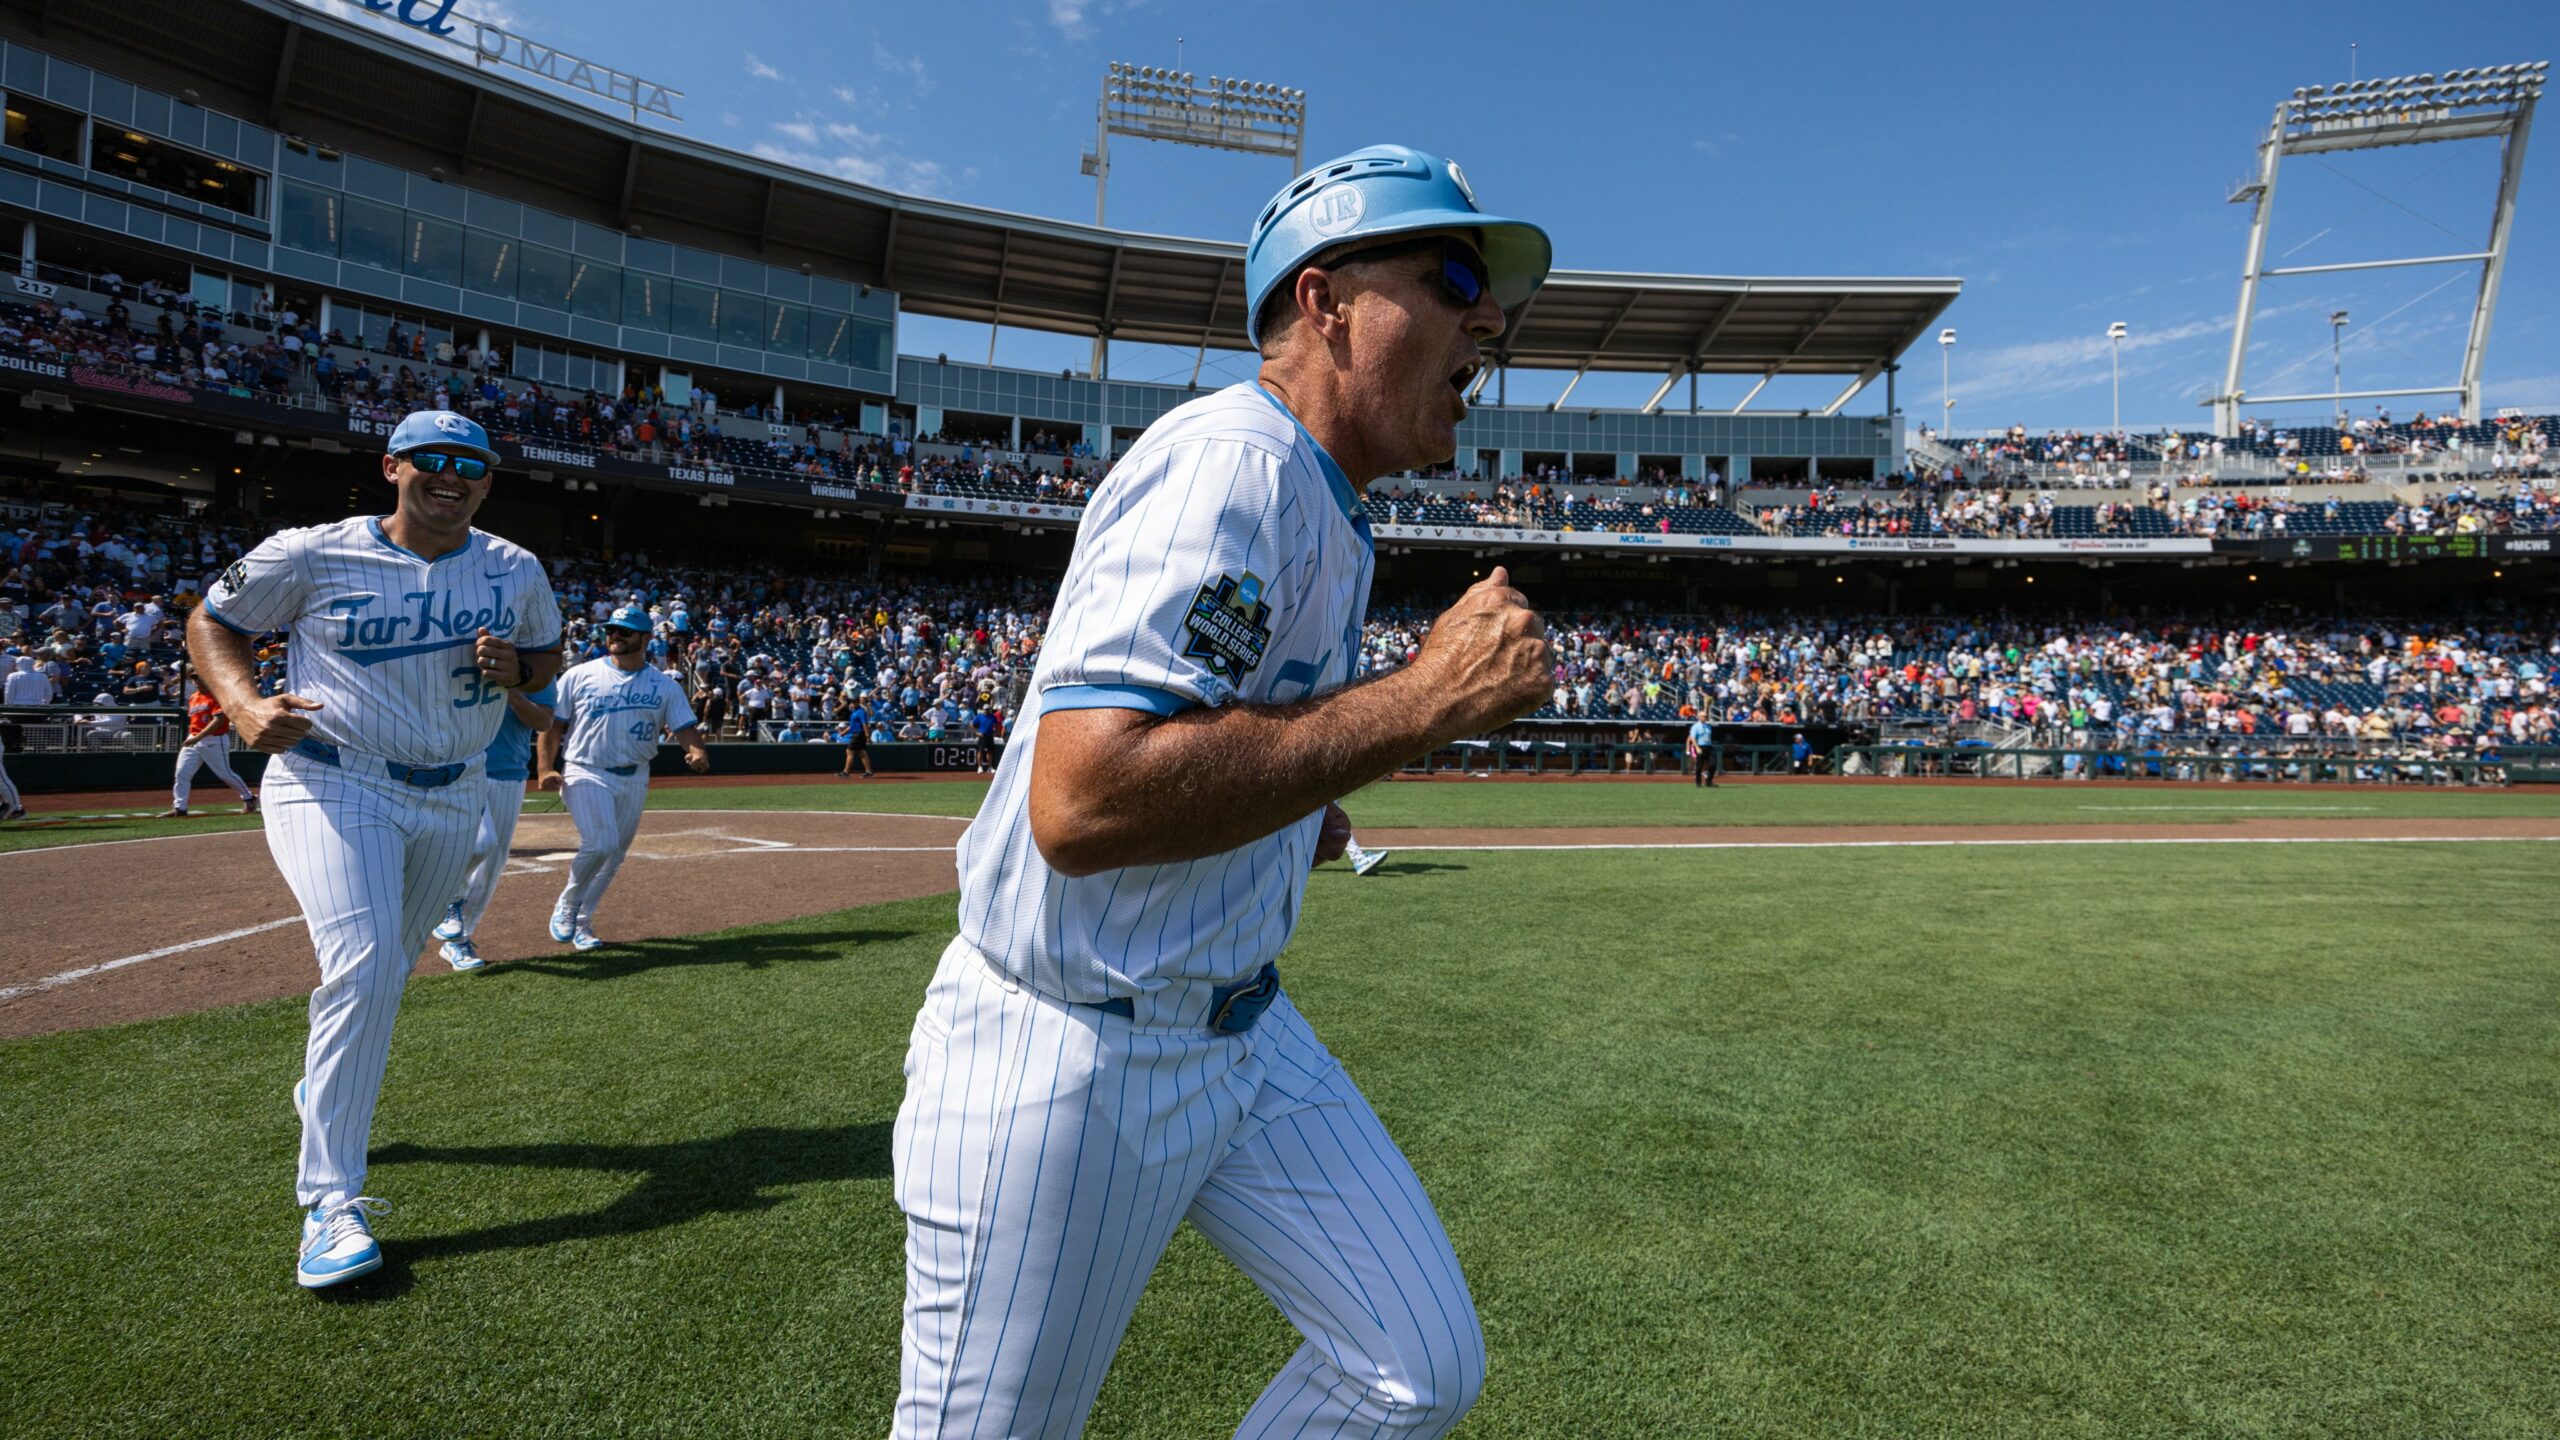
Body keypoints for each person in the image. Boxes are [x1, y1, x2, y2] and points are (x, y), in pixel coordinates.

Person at [893, 143, 1553, 1438]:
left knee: (1414, 1363)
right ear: (1324, 301)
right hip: (1067, 1048)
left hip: (1239, 1037)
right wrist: (1420, 702)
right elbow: (1085, 801)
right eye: (1457, 272)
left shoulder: (1321, 496)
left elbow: (1218, 736)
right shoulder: (1235, 464)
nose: (1490, 317)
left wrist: (1292, 805)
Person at [184, 409, 562, 1290]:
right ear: (391, 466)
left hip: (454, 788)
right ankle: (330, 1204)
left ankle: (325, 1096)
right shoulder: (311, 551)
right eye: (431, 459)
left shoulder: (514, 566)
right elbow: (214, 620)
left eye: (470, 464)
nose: (451, 474)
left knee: (387, 970)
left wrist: (519, 671)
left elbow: (545, 659)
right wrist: (242, 706)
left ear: (487, 481)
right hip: (332, 777)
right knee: (360, 966)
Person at [537, 606, 709, 951]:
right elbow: (553, 727)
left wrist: (697, 752)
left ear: (646, 639)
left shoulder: (664, 685)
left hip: (634, 776)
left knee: (613, 857)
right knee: (600, 843)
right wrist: (544, 768)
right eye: (611, 630)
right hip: (585, 768)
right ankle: (568, 904)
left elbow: (685, 728)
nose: (615, 636)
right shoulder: (579, 674)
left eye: (625, 631)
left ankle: (583, 924)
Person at [430, 679, 559, 971]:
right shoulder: (455, 646)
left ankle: (458, 940)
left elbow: (544, 720)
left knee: (491, 864)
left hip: (508, 770)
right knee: (479, 843)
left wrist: (512, 694)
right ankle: (448, 899)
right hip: (458, 764)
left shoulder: (534, 660)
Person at [168, 682, 258, 816]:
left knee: (225, 773)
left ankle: (249, 798)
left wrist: (198, 737)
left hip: (214, 739)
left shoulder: (217, 696)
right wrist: (194, 737)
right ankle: (180, 808)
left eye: (198, 678)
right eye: (194, 679)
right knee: (181, 773)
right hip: (193, 738)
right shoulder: (193, 697)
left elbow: (219, 720)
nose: (195, 682)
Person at [834, 700, 872, 778]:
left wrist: (867, 736)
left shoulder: (861, 712)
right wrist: (843, 732)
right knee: (862, 752)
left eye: (854, 702)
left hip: (859, 734)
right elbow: (851, 725)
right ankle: (868, 771)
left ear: (858, 703)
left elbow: (865, 724)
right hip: (857, 734)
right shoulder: (854, 712)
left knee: (849, 751)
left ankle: (846, 772)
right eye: (851, 703)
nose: (852, 704)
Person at [1687, 713, 1717, 787]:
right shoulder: (1695, 726)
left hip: (1709, 747)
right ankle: (1698, 782)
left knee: (1713, 764)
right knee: (1699, 766)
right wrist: (1697, 747)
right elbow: (1692, 738)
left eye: (1706, 716)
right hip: (1700, 747)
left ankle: (1708, 781)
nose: (1705, 717)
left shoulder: (1708, 726)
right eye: (1704, 716)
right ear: (1699, 717)